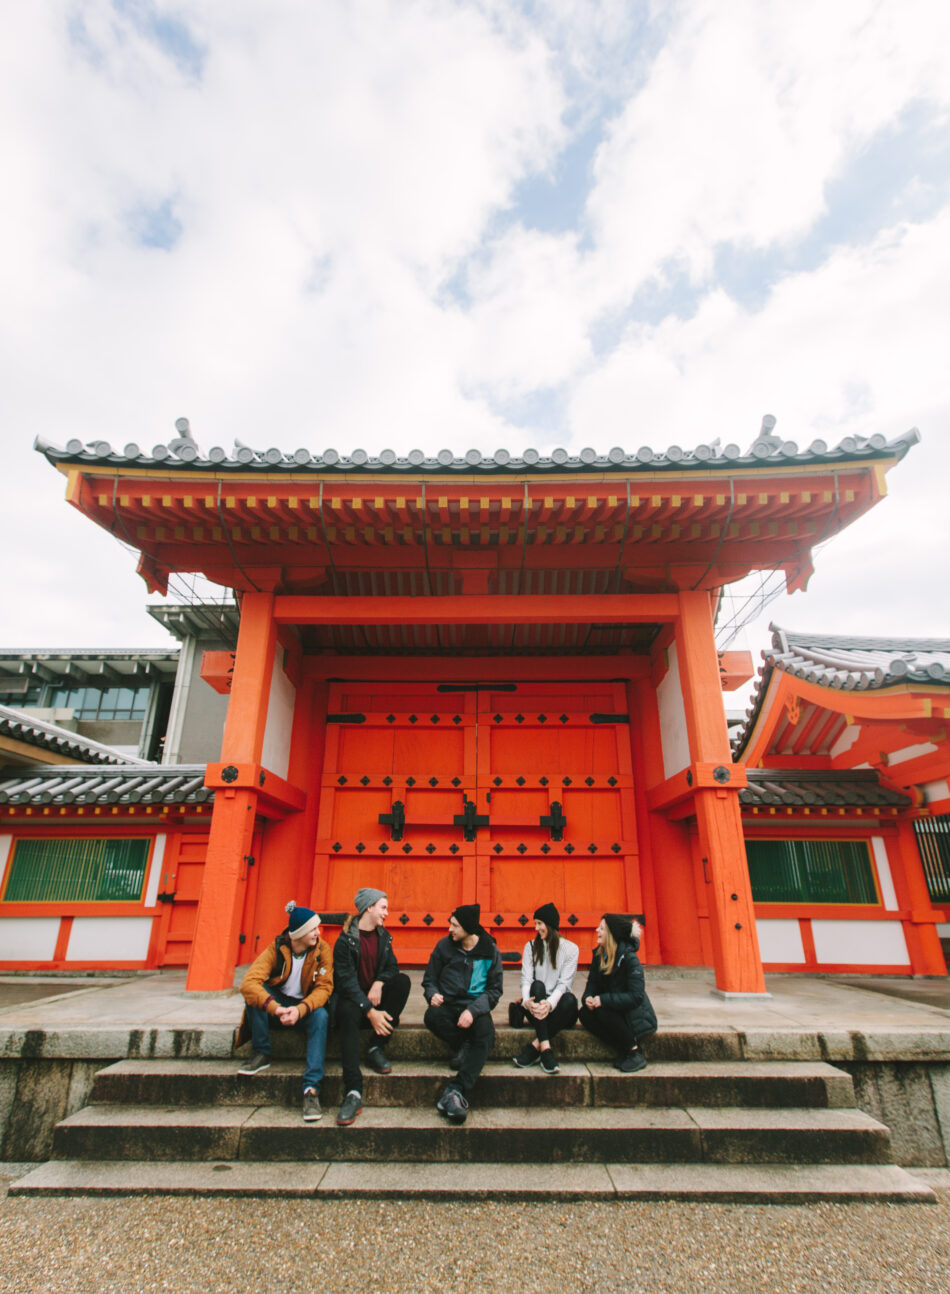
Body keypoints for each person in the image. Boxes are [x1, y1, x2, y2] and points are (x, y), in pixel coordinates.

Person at [238, 901, 333, 1120]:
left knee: (321, 1016)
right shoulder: (277, 948)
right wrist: (276, 1008)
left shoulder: (322, 949)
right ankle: (261, 1051)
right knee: (256, 993)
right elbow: (248, 983)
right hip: (279, 1005)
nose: (318, 933)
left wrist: (300, 1010)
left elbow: (325, 987)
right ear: (299, 933)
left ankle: (311, 1089)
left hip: (304, 1006)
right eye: (313, 929)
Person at [332, 887, 411, 1127]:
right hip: (355, 1004)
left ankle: (376, 1047)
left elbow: (392, 967)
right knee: (346, 1010)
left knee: (402, 982)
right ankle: (353, 1091)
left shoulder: (383, 937)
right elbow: (345, 982)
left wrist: (378, 983)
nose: (387, 913)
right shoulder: (345, 941)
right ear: (369, 907)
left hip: (374, 1000)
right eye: (383, 907)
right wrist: (369, 1011)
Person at [422, 902, 503, 1125]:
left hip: (475, 1005)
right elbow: (430, 979)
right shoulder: (443, 947)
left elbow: (495, 990)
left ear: (467, 928)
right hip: (448, 1004)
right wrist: (433, 994)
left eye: (455, 926)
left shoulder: (489, 951)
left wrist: (473, 1010)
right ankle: (464, 1046)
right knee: (432, 1016)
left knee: (486, 1034)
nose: (450, 929)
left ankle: (455, 1091)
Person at [578, 913, 657, 1073]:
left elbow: (636, 997)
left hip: (631, 1013)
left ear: (612, 933)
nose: (596, 930)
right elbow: (592, 984)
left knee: (604, 1010)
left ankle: (635, 1051)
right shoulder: (599, 956)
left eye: (601, 928)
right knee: (585, 1013)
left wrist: (603, 1000)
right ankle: (623, 1048)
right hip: (612, 1008)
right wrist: (588, 998)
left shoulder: (629, 959)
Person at [510, 902, 579, 1074]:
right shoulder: (531, 947)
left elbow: (565, 984)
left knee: (570, 1000)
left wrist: (549, 1004)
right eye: (535, 924)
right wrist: (526, 1001)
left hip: (555, 1007)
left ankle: (535, 1047)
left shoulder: (571, 949)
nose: (536, 928)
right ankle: (546, 1051)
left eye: (540, 923)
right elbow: (526, 979)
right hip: (536, 1005)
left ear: (550, 925)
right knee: (537, 985)